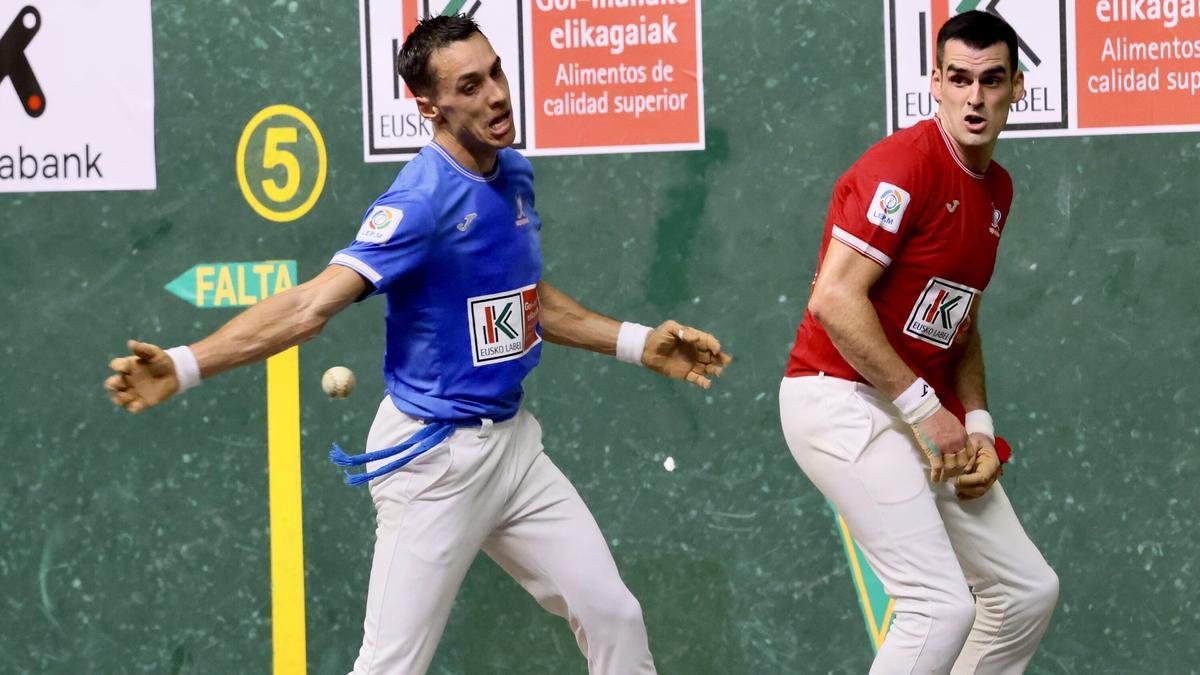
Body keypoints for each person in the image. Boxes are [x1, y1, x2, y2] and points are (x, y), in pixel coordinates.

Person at [105, 15, 730, 675]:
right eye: (470, 85)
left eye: (496, 72)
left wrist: (637, 343)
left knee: (615, 617)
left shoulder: (513, 174)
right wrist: (184, 363)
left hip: (513, 448)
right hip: (434, 463)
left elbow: (528, 300)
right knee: (390, 665)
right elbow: (310, 304)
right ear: (431, 106)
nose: (496, 94)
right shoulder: (419, 202)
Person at [778, 11, 1057, 674]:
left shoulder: (997, 190)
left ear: (1017, 88)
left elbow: (960, 319)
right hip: (838, 399)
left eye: (992, 81)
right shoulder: (903, 167)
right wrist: (928, 412)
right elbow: (835, 300)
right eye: (958, 78)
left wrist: (978, 427)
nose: (975, 97)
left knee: (1026, 592)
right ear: (935, 82)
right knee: (939, 604)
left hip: (913, 408)